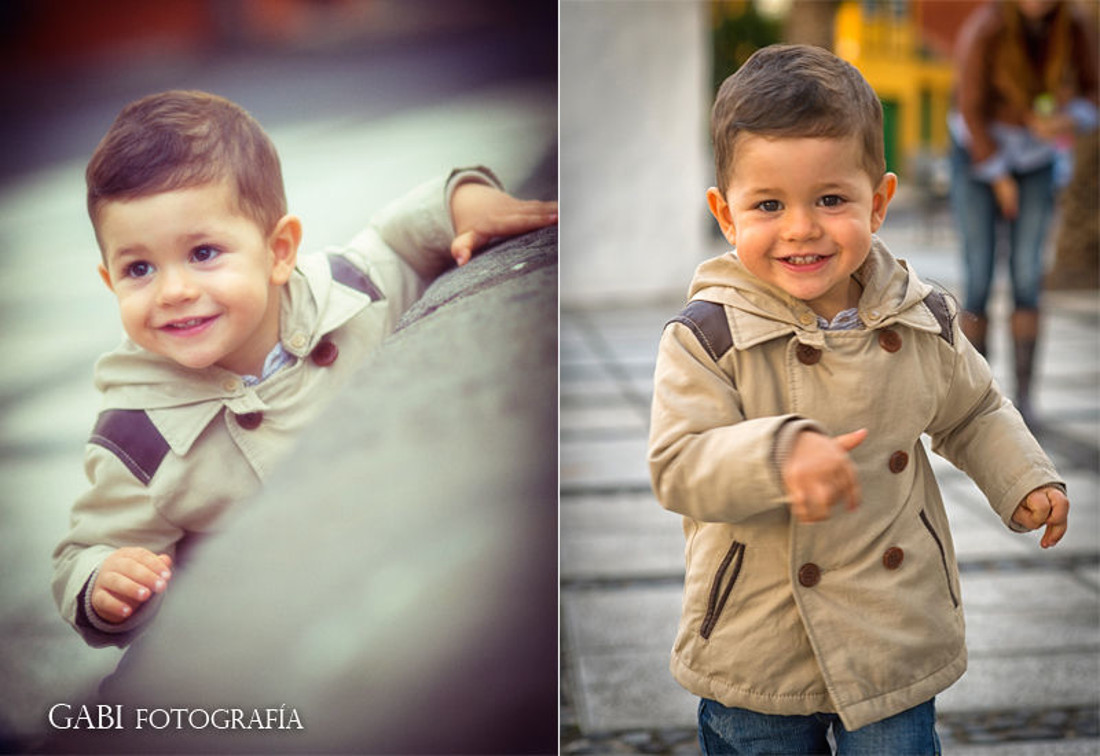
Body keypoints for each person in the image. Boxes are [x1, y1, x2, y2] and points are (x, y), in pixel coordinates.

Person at [648, 45, 1069, 754]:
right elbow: (679, 463)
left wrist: (1022, 477)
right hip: (761, 641)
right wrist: (776, 455)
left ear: (877, 203)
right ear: (726, 213)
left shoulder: (920, 315)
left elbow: (974, 409)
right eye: (769, 205)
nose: (801, 228)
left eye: (831, 200)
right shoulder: (708, 336)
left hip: (891, 631)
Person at [52, 90, 557, 647]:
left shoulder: (348, 293)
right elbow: (86, 549)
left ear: (279, 251)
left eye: (202, 253)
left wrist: (461, 201)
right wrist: (104, 582)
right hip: (276, 634)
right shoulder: (136, 435)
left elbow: (398, 238)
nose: (174, 291)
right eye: (139, 268)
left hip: (415, 565)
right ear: (109, 281)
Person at [949, 0, 1098, 426]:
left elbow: (1094, 93)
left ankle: (1025, 401)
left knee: (1028, 276)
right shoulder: (987, 27)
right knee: (978, 274)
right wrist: (998, 177)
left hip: (1036, 158)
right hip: (977, 155)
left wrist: (1069, 120)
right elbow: (969, 108)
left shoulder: (1075, 27)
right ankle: (975, 402)